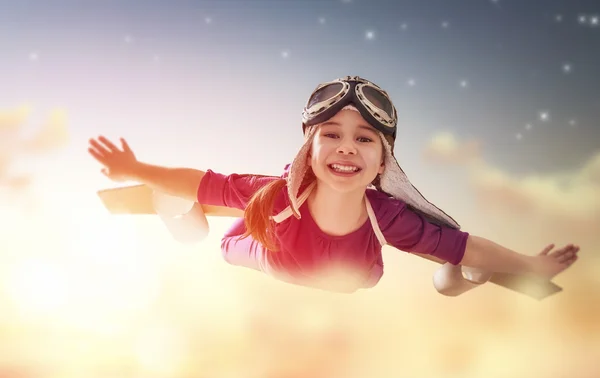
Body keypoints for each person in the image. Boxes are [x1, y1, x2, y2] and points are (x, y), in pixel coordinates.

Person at [88, 76, 579, 294]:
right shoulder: (275, 193)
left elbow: (467, 246)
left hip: (352, 281)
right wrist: (140, 172)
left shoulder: (388, 217)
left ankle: (466, 284)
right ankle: (172, 208)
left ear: (384, 158)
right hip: (267, 256)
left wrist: (527, 264)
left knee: (453, 273)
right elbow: (201, 180)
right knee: (211, 236)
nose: (347, 148)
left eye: (365, 139)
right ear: (308, 147)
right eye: (332, 136)